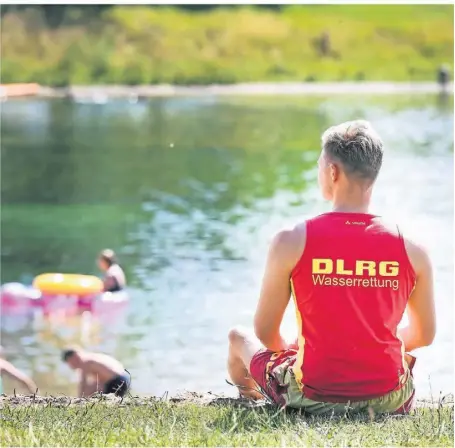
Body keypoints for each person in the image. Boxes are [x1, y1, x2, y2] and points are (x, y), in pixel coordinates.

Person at [227, 120, 436, 415]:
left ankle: (250, 401)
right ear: (373, 174)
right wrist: (371, 341)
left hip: (313, 397)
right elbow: (424, 335)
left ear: (332, 172)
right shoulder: (414, 248)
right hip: (389, 399)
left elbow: (265, 332)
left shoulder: (291, 240)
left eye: (319, 165)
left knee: (239, 337)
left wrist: (295, 347)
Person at [62, 347, 130, 398]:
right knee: (94, 385)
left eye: (69, 362)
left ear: (73, 358)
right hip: (124, 378)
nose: (70, 366)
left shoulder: (85, 362)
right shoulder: (91, 356)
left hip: (117, 381)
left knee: (87, 389)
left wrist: (78, 400)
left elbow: (83, 384)